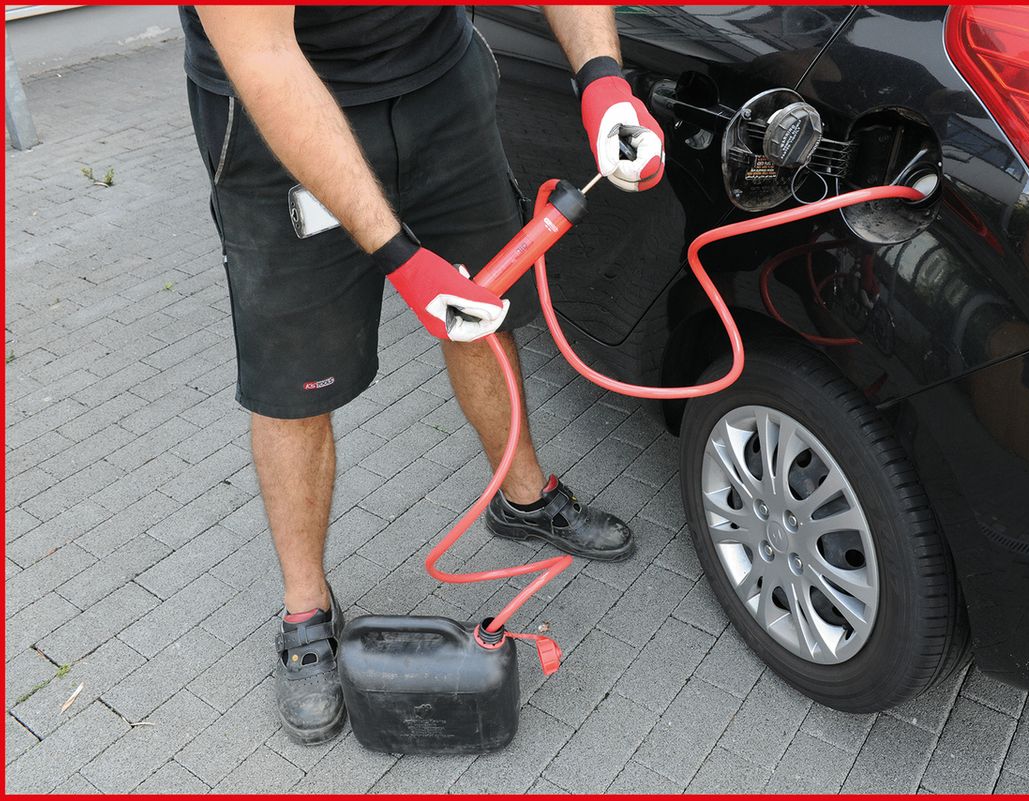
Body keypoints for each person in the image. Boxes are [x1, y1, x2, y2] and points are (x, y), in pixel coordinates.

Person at [179, 5, 665, 744]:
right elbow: (266, 60)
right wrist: (400, 257)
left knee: (482, 310)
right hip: (278, 105)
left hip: (440, 82)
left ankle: (524, 498)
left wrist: (602, 78)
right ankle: (306, 610)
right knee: (296, 378)